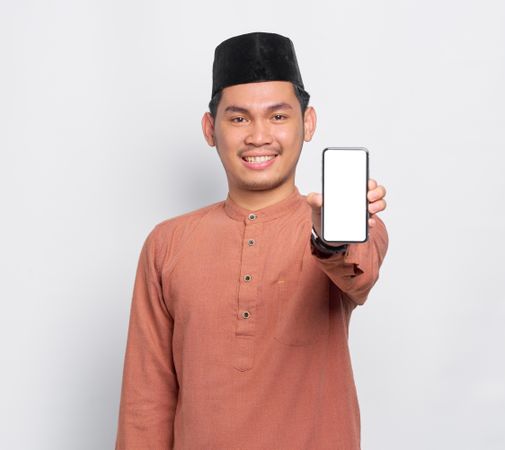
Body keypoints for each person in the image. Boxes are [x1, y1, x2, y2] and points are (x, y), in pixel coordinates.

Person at [115, 31, 389, 449]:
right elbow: (145, 402)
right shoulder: (166, 244)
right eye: (239, 118)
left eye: (278, 116)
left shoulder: (350, 227)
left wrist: (328, 236)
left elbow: (359, 275)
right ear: (210, 129)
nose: (258, 136)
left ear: (308, 123)